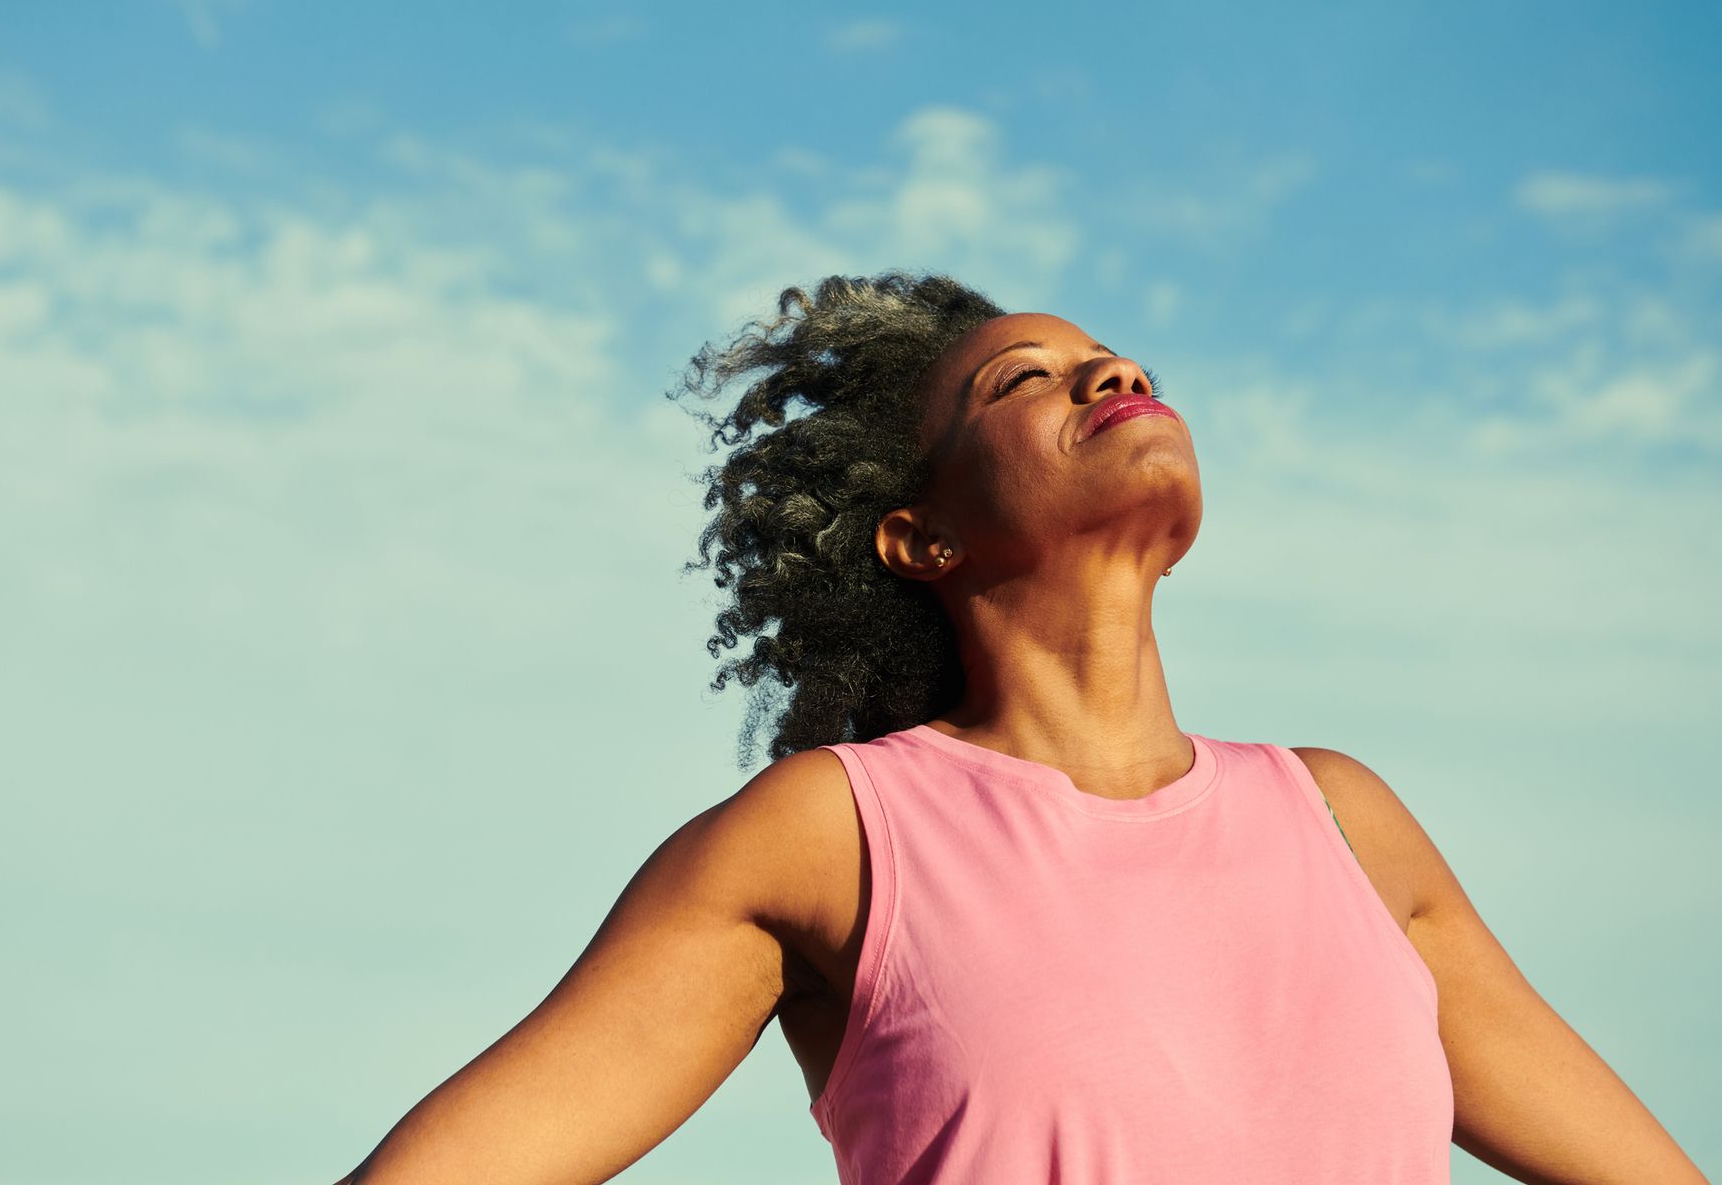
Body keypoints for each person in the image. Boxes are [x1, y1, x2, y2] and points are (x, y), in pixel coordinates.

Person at [332, 272, 1706, 1183]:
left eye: (1113, 360)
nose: (1109, 377)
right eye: (1025, 381)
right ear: (918, 537)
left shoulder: (1343, 819)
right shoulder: (834, 835)